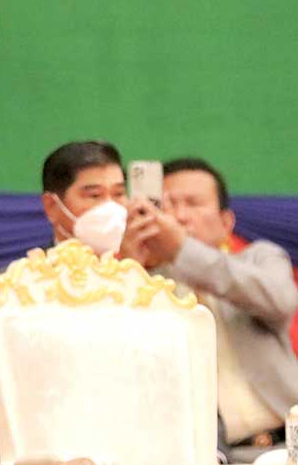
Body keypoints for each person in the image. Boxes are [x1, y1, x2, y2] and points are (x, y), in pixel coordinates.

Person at [122, 157, 298, 462]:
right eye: (168, 205)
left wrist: (183, 251)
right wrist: (128, 265)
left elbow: (280, 300)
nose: (180, 216)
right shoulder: (148, 282)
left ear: (226, 221)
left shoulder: (259, 258)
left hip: (288, 445)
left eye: (193, 203)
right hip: (206, 455)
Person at [40, 141, 127, 255]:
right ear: (51, 206)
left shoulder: (140, 269)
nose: (110, 207)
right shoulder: (26, 272)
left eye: (119, 193)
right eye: (94, 195)